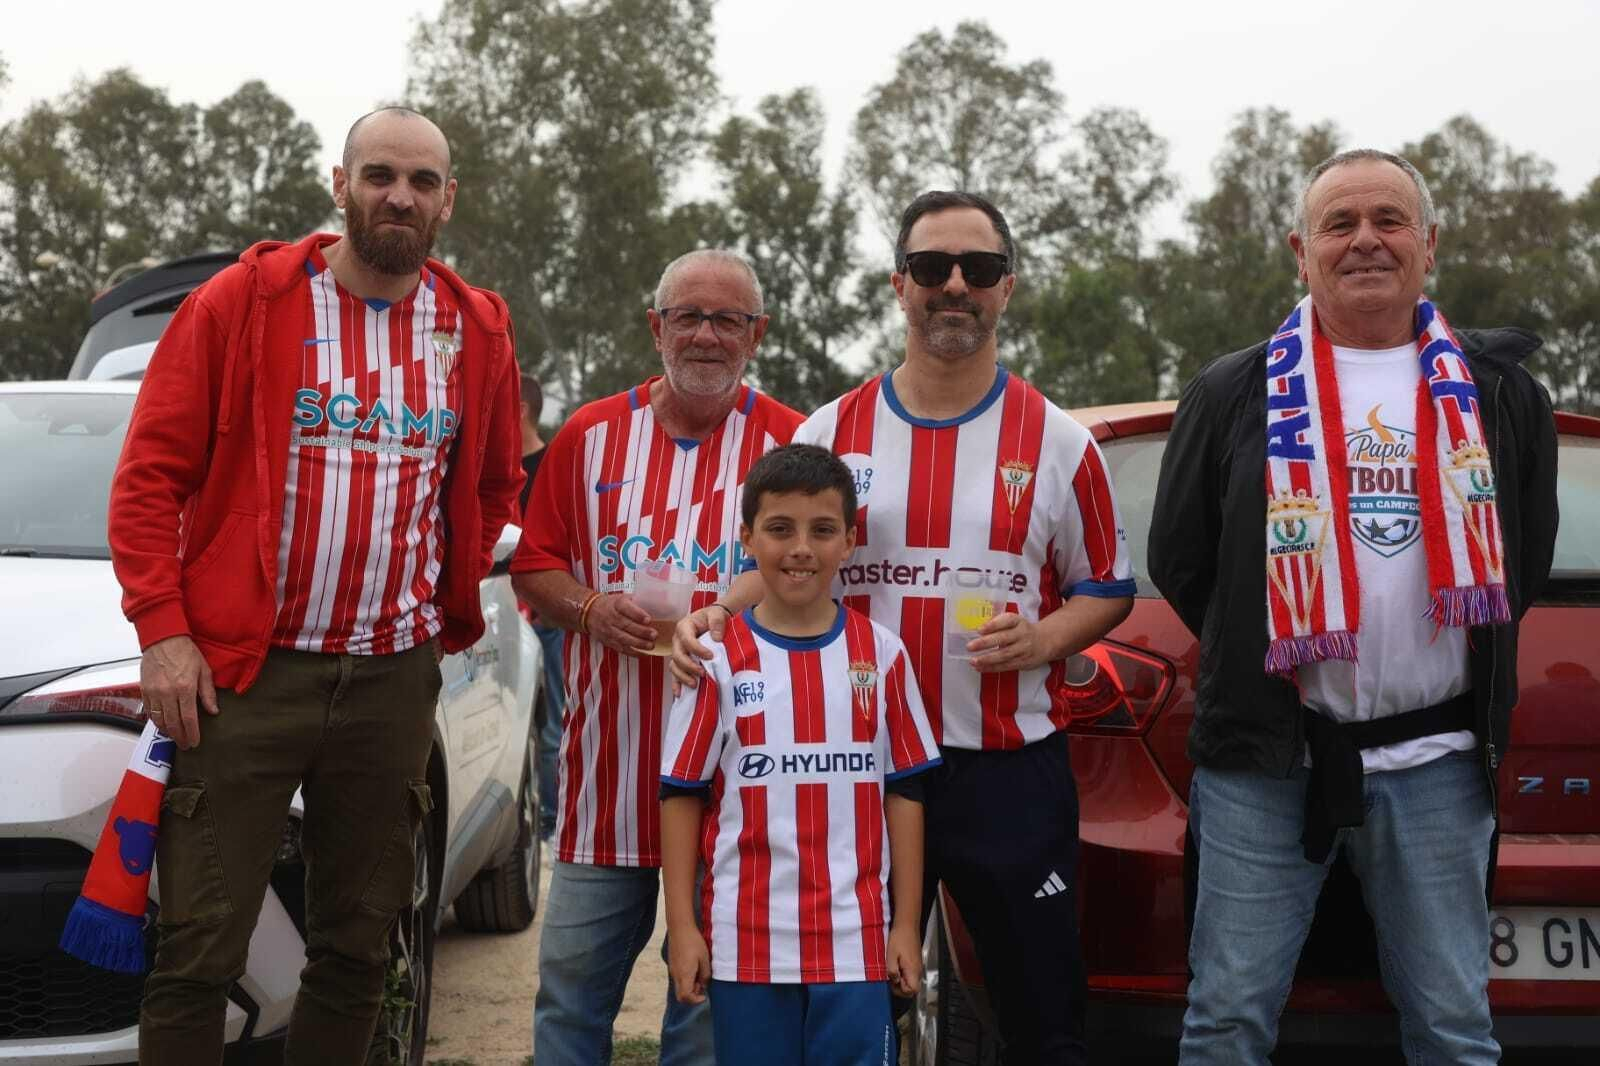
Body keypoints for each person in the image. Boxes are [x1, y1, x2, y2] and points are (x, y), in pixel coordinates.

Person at [674, 191, 1136, 1063]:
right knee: (849, 1022)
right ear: (899, 286)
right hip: (855, 774)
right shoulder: (830, 430)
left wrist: (1043, 641)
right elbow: (782, 563)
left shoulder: (1062, 441)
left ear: (1007, 287)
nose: (954, 286)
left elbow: (1106, 588)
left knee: (1042, 1019)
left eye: (979, 269)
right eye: (932, 269)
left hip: (1005, 768)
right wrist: (715, 614)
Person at [108, 106, 524, 1064]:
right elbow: (147, 480)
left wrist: (451, 595)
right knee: (197, 949)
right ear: (340, 186)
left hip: (393, 679)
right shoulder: (241, 303)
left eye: (422, 182)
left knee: (358, 946)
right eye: (379, 174)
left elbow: (495, 480)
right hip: (247, 678)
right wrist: (164, 632)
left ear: (447, 201)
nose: (400, 197)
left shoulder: (475, 329)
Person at [1149, 149, 1559, 1065]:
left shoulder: (1501, 396)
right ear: (1302, 250)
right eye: (1339, 225)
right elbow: (1180, 561)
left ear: (1428, 243)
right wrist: (1277, 644)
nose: (1364, 241)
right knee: (1225, 1023)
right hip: (1267, 766)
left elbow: (1518, 566)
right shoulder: (1231, 389)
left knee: (1454, 1030)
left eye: (1387, 220)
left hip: (1440, 764)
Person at [510, 248, 804, 1065]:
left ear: (757, 334)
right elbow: (535, 565)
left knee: (705, 1023)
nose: (706, 335)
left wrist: (726, 611)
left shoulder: (790, 441)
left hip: (732, 797)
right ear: (656, 327)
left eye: (728, 320)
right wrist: (591, 607)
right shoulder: (590, 435)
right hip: (606, 789)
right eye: (689, 317)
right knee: (569, 1006)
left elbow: (823, 577)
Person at [659, 443, 940, 1066]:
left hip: (857, 942)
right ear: (748, 539)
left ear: (848, 541)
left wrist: (904, 924)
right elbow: (680, 795)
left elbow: (906, 791)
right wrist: (683, 928)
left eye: (822, 530)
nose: (801, 548)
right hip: (746, 943)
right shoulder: (716, 661)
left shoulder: (884, 655)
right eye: (780, 529)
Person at [518, 372, 565, 841]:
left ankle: (552, 819)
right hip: (499, 619)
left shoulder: (552, 465)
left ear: (521, 411)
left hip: (547, 622)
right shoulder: (491, 471)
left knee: (553, 724)